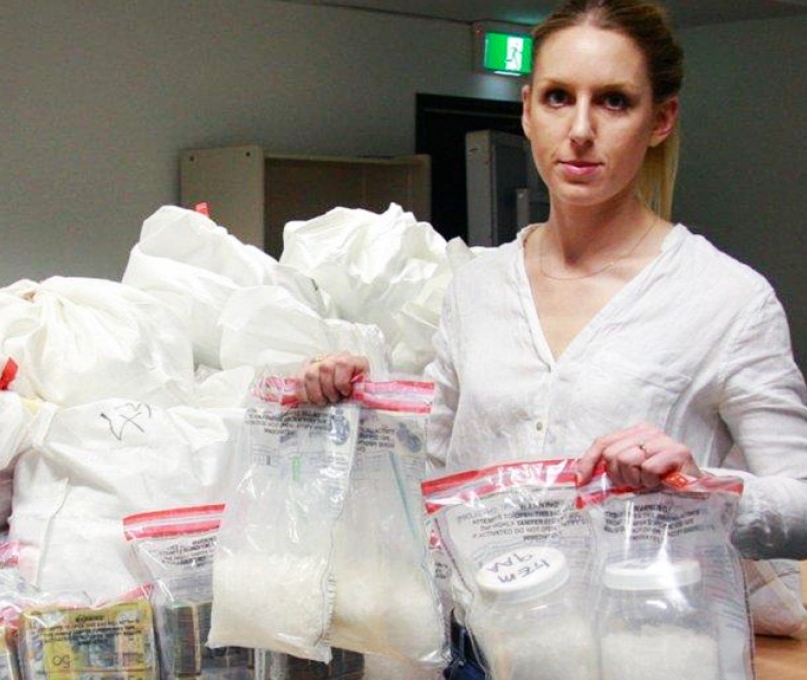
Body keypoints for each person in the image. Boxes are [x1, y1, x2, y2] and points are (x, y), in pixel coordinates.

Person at [299, 0, 807, 676]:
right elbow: (437, 474)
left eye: (614, 102)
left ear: (660, 120)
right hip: (472, 649)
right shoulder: (476, 288)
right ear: (526, 109)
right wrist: (357, 412)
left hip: (638, 655)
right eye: (559, 97)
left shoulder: (726, 300)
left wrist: (698, 484)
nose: (580, 130)